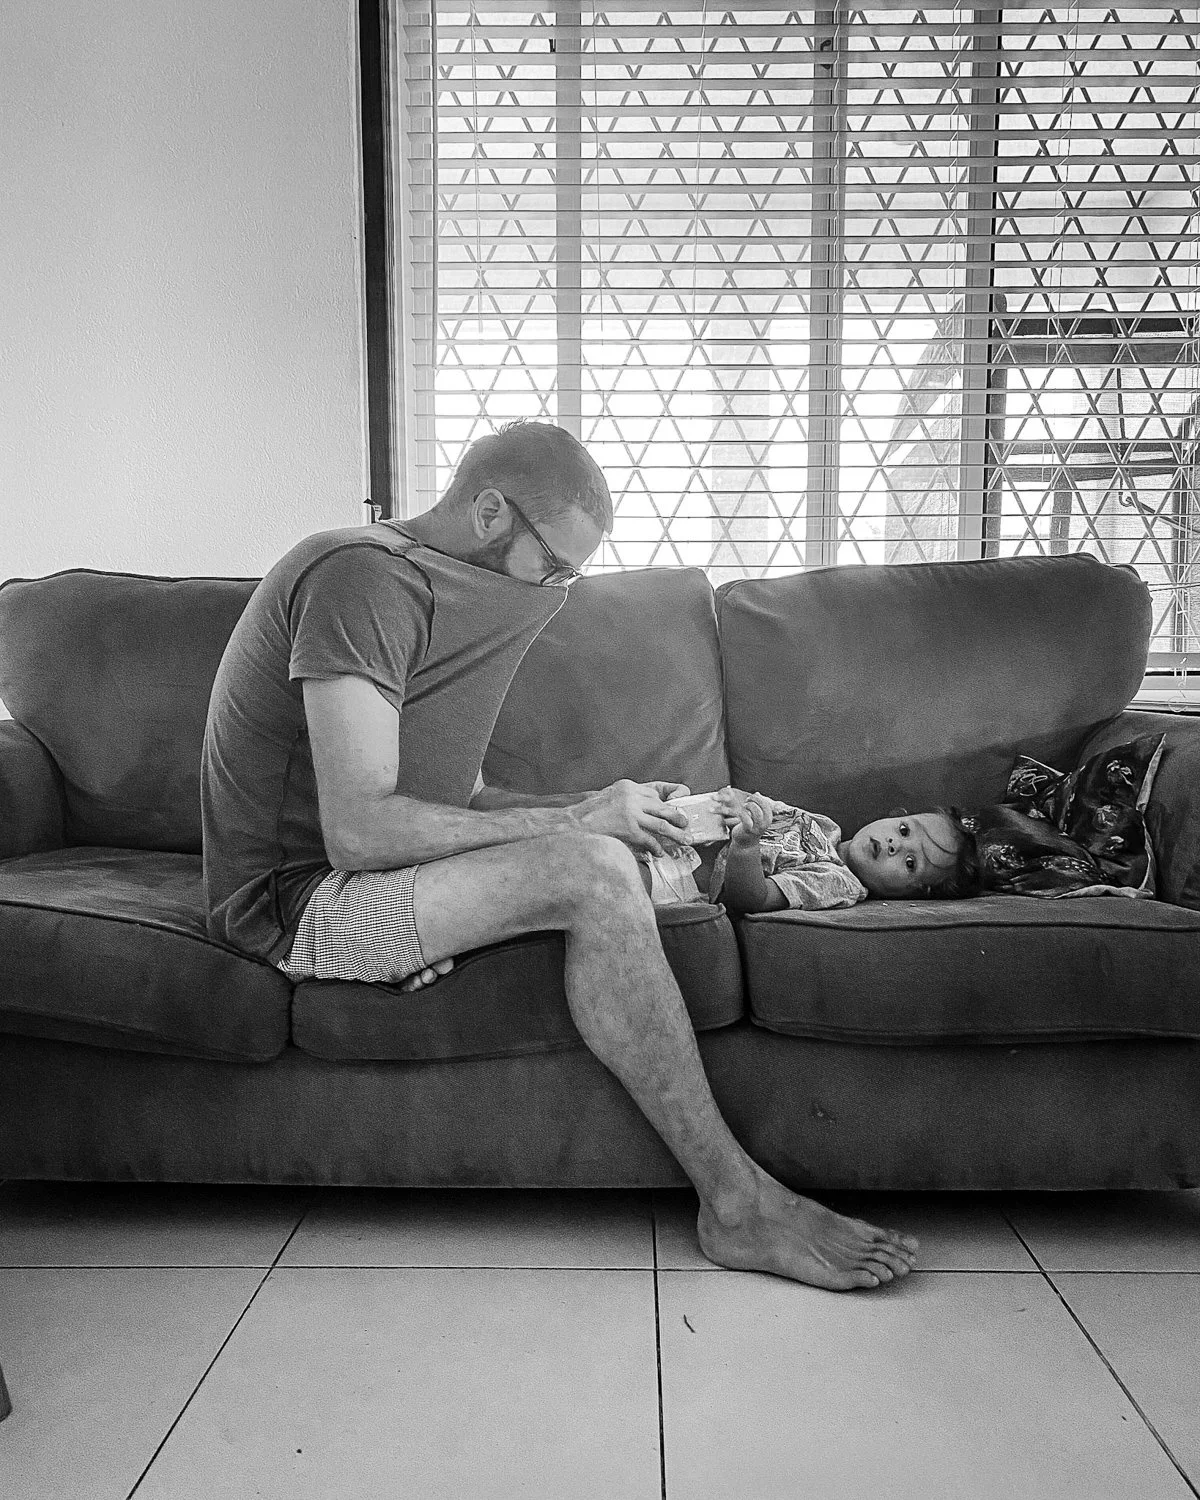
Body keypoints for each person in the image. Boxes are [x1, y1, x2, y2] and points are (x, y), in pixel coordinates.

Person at [201, 419, 918, 1292]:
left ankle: (737, 1196)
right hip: (299, 904)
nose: (560, 587)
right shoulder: (362, 579)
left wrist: (605, 811)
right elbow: (359, 830)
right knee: (591, 871)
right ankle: (738, 1205)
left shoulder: (447, 591)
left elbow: (454, 799)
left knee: (612, 851)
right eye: (555, 564)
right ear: (492, 511)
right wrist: (580, 824)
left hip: (373, 879)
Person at [640, 789, 978, 912]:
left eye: (909, 861)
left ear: (911, 893)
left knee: (610, 871)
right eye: (904, 830)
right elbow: (763, 808)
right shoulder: (824, 826)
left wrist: (746, 844)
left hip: (676, 878)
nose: (895, 844)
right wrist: (740, 802)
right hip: (675, 836)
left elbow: (751, 900)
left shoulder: (838, 882)